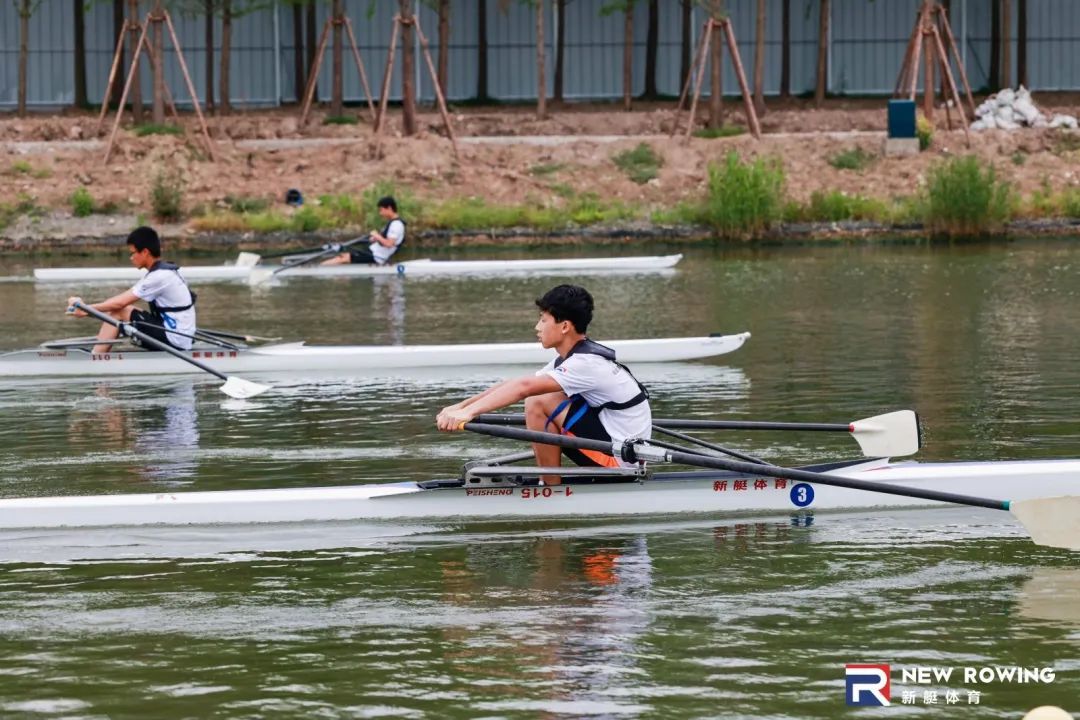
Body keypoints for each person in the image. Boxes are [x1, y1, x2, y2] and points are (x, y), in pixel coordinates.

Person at [436, 284, 651, 484]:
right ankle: (549, 484)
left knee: (538, 401)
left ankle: (550, 487)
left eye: (543, 320)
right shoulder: (573, 357)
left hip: (621, 463)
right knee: (541, 394)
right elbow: (515, 383)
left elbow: (524, 389)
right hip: (615, 445)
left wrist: (468, 413)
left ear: (564, 326)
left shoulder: (584, 363)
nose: (537, 327)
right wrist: (462, 407)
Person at [66, 226, 197, 355]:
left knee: (120, 310)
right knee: (124, 310)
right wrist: (88, 310)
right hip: (180, 333)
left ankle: (96, 357)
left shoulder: (159, 277)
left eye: (133, 253)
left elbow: (119, 304)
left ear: (145, 252)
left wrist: (86, 309)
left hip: (176, 339)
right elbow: (120, 300)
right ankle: (99, 351)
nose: (131, 257)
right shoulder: (168, 270)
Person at [321, 195, 406, 266]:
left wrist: (377, 236)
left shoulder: (397, 225)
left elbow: (389, 244)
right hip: (372, 252)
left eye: (381, 210)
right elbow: (385, 240)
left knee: (343, 258)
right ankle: (321, 269)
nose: (380, 213)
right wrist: (376, 238)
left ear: (389, 208)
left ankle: (317, 271)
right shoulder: (393, 223)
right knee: (342, 256)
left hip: (376, 257)